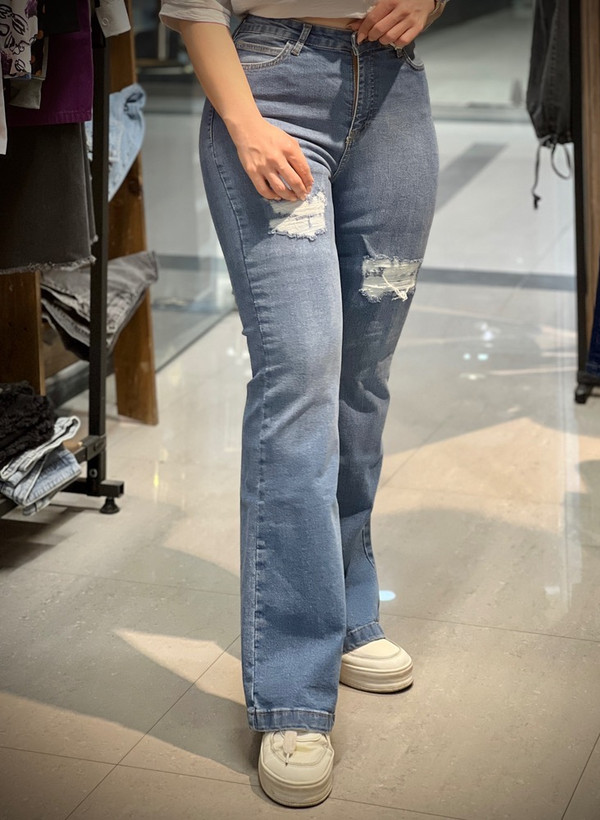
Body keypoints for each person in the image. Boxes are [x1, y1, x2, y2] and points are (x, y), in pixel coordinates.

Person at [159, 0, 445, 807]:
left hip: (393, 93)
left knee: (361, 379)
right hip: (270, 91)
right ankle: (291, 692)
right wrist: (243, 122)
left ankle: (349, 613)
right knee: (300, 381)